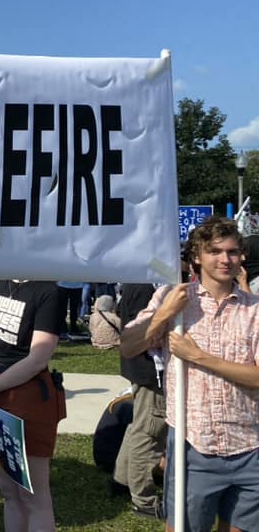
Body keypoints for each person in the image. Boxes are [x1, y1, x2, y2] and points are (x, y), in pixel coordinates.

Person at [120, 216, 259, 532]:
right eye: (215, 251)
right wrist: (165, 314)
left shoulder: (254, 309)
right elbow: (128, 346)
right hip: (194, 445)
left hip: (250, 445)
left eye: (233, 251)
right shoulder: (176, 300)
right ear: (196, 256)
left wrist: (198, 357)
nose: (225, 259)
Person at [0, 280, 66, 532]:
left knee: (32, 496)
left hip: (28, 399)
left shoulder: (48, 291)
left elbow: (38, 359)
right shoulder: (0, 283)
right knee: (8, 492)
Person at [113, 282, 166, 520]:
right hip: (149, 370)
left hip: (141, 369)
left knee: (140, 427)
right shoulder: (147, 288)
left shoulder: (138, 283)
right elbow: (144, 333)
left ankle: (122, 479)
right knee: (149, 433)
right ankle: (143, 499)